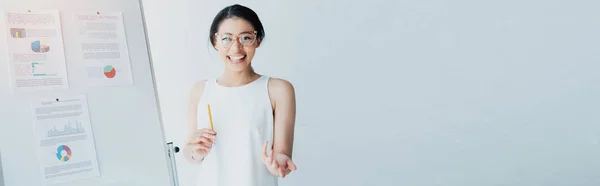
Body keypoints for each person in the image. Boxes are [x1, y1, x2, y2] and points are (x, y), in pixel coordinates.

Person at [182, 4, 297, 186]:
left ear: (257, 40)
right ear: (215, 42)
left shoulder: (278, 89)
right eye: (226, 39)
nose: (236, 48)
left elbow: (283, 156)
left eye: (245, 38)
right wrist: (196, 152)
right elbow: (189, 152)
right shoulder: (200, 90)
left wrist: (280, 164)